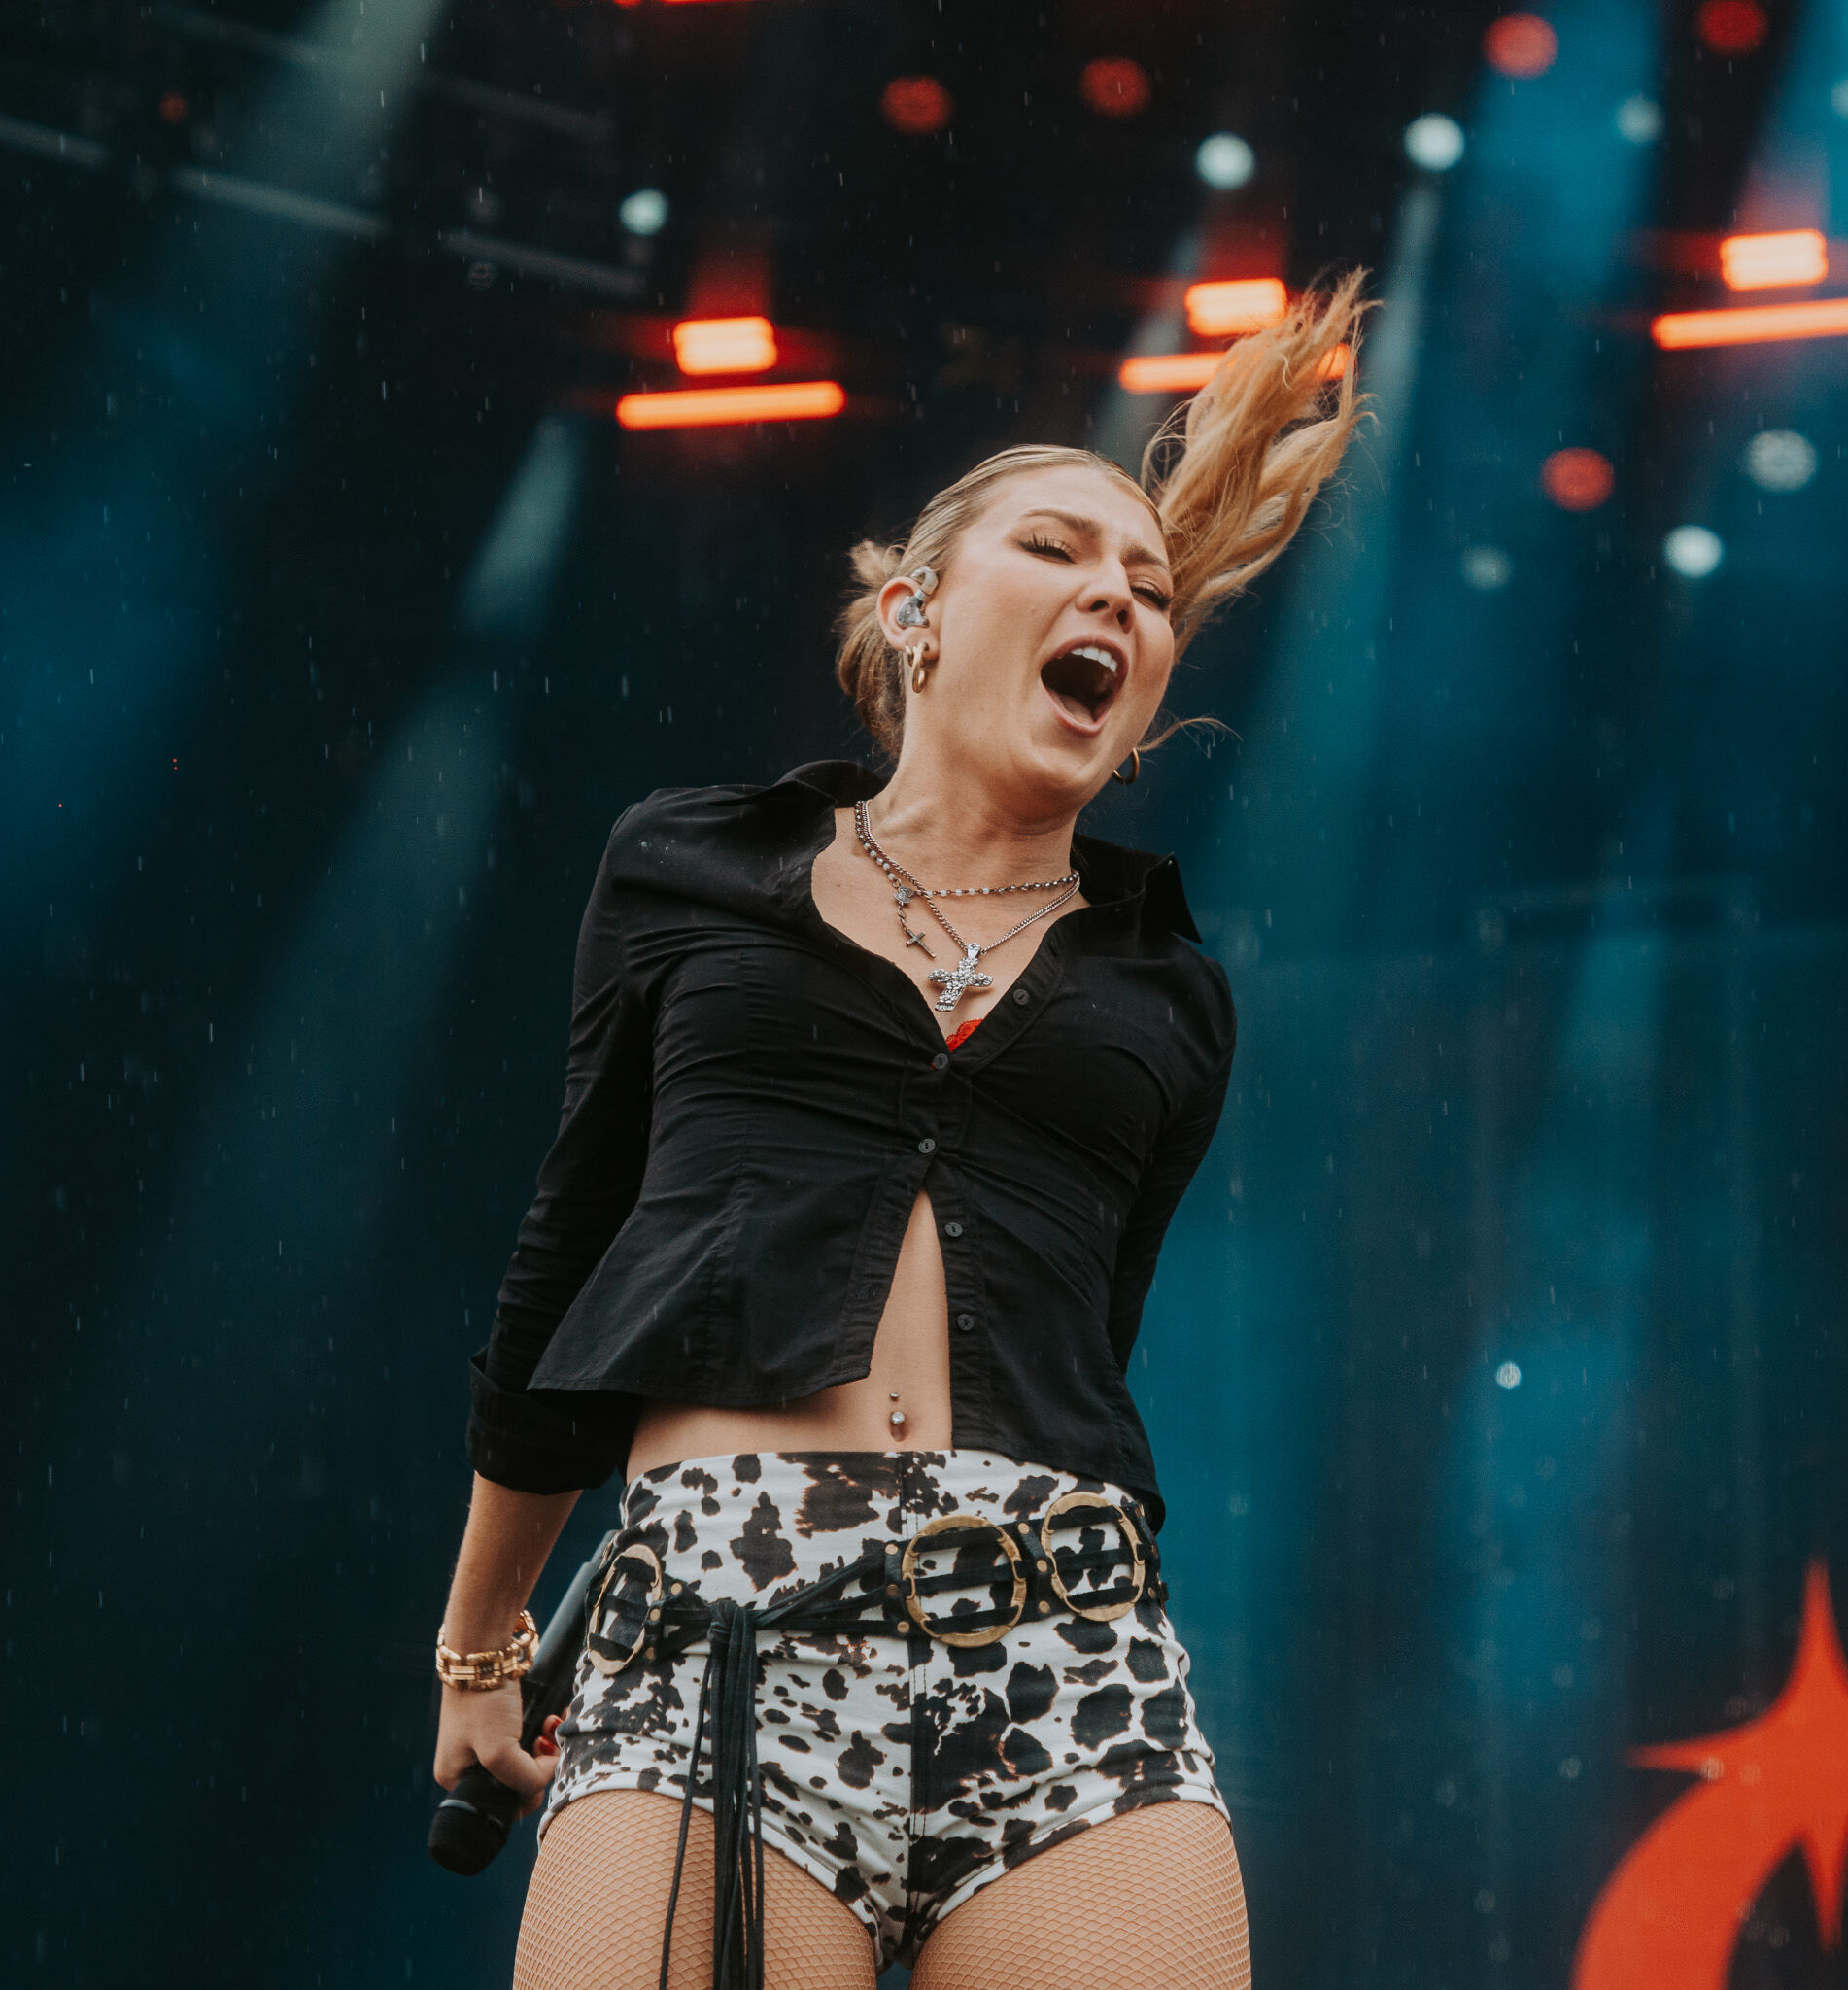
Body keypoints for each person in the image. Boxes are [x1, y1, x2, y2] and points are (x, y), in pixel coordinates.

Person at [429, 280, 1370, 1990]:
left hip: (1063, 1642)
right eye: (1057, 551)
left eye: (1151, 588)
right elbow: (572, 1249)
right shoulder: (690, 871)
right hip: (720, 1623)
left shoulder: (1167, 991)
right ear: (916, 612)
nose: (1118, 593)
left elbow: (1079, 1342)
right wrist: (482, 1638)